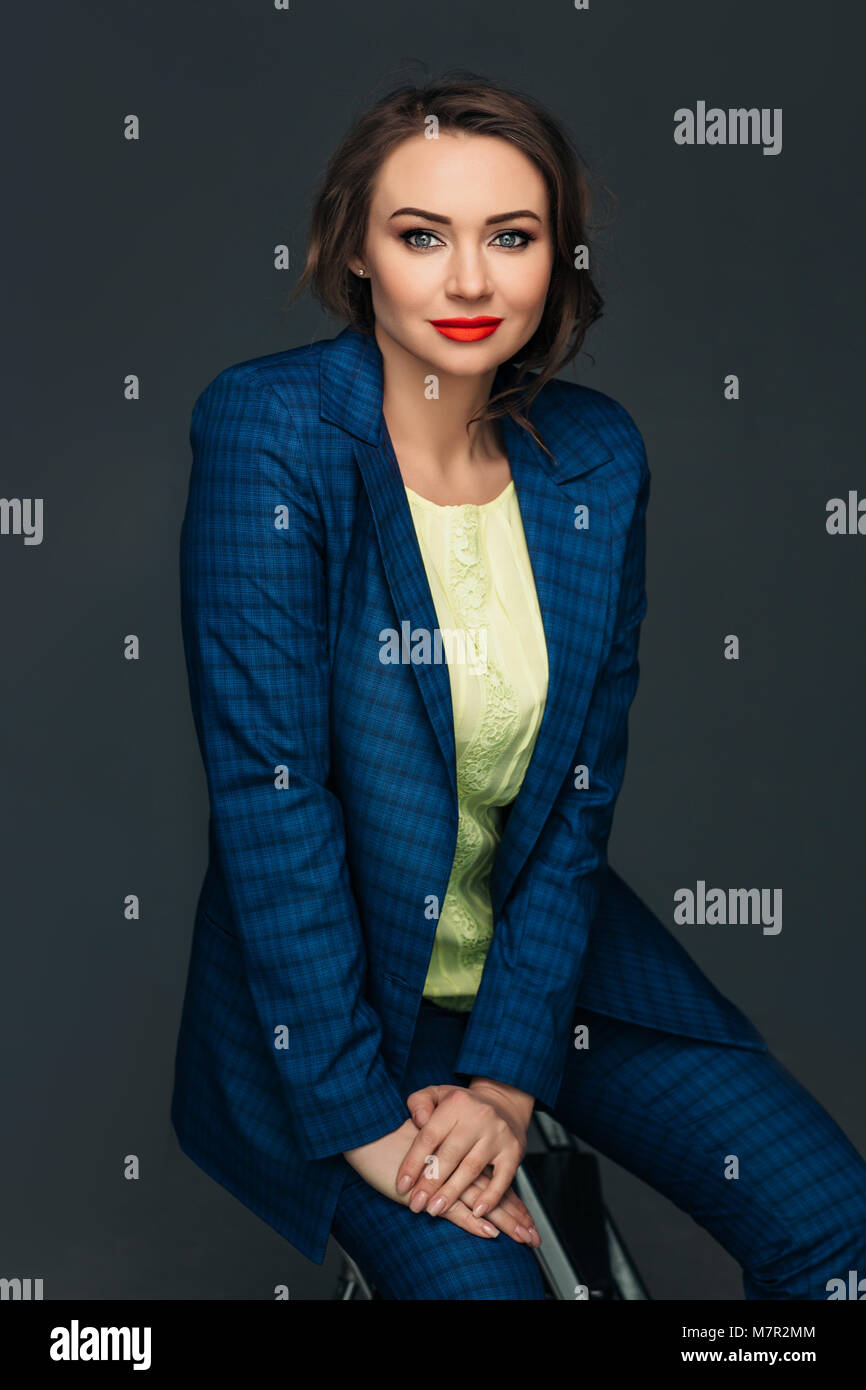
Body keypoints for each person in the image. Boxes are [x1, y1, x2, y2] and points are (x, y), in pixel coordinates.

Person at [171, 74, 866, 1299]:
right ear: (354, 253)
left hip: (548, 970)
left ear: (557, 259)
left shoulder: (592, 455)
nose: (469, 281)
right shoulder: (271, 431)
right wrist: (373, 1131)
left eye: (511, 236)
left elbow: (573, 808)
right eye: (420, 235)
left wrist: (504, 1080)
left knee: (836, 1236)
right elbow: (269, 804)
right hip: (336, 1003)